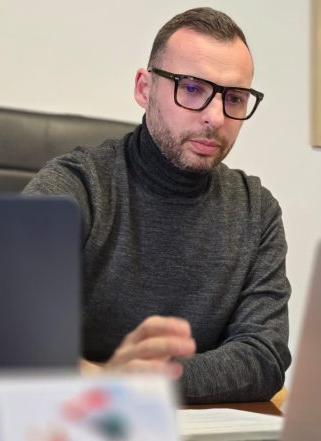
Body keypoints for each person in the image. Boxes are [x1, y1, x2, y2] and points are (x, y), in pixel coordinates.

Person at [24, 7, 291, 404]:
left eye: (234, 98)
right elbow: (6, 326)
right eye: (193, 88)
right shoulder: (76, 187)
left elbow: (264, 356)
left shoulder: (257, 211)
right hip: (77, 417)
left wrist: (145, 381)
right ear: (144, 89)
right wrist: (108, 383)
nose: (216, 118)